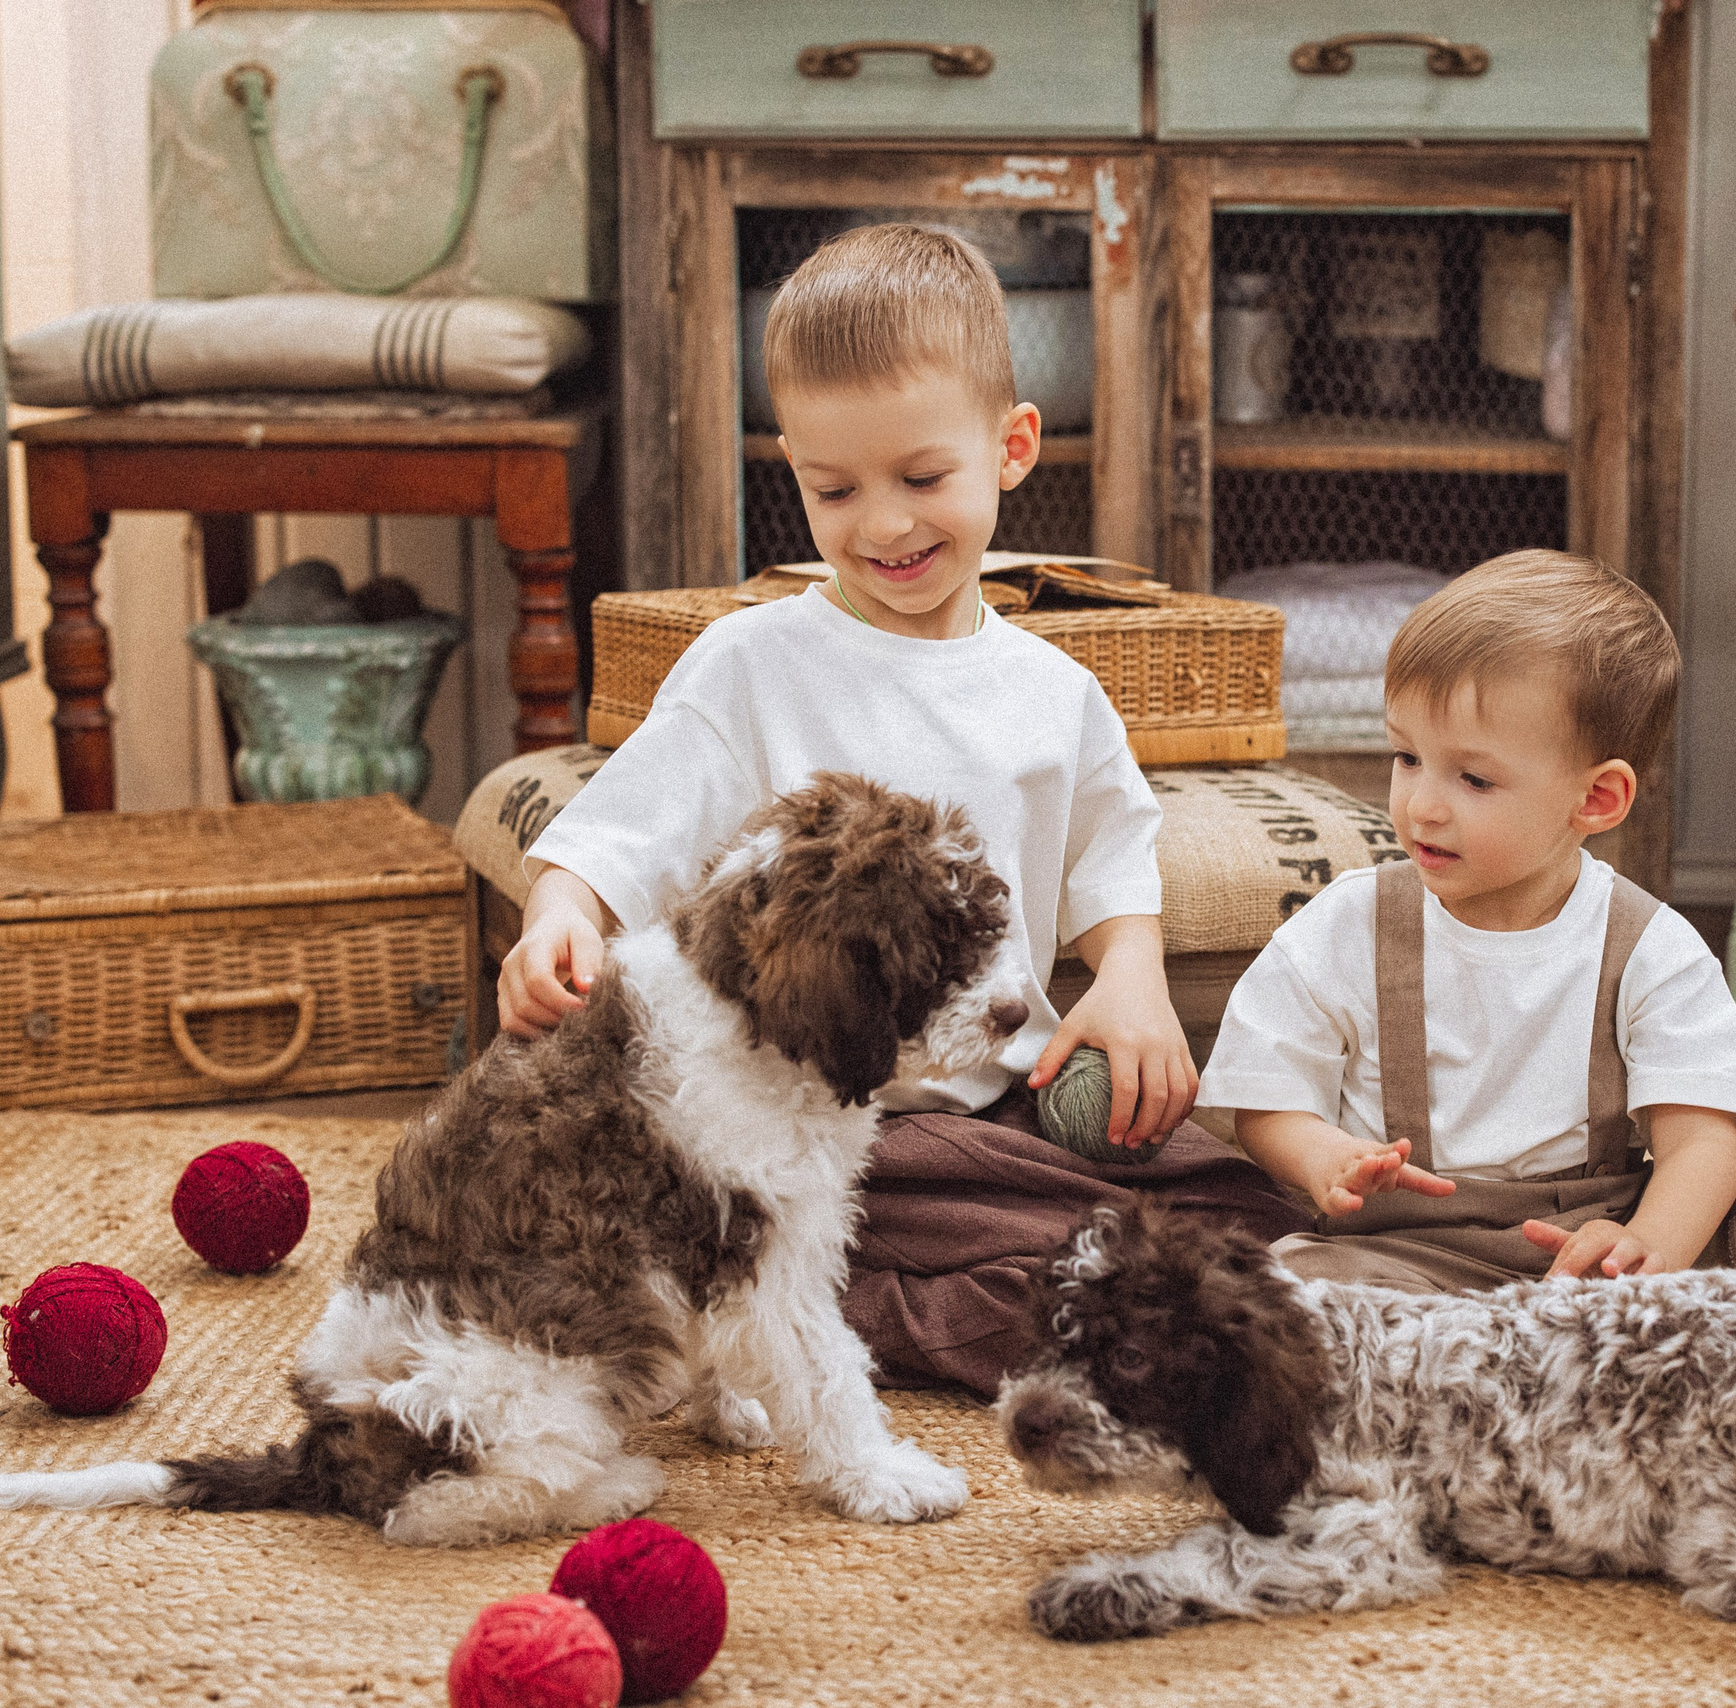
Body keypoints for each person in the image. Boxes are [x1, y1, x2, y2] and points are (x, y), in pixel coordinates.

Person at [504, 223, 1306, 1395]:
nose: (883, 525)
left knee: (1245, 1213)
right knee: (1042, 1292)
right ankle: (790, 1305)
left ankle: (960, 1284)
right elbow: (618, 831)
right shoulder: (748, 666)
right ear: (793, 468)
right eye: (835, 488)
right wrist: (556, 913)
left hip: (1011, 1106)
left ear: (1011, 446)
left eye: (923, 480)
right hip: (817, 1123)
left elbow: (1112, 856)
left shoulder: (1055, 691)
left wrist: (1129, 983)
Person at [1200, 550, 1736, 1300]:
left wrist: (1643, 1247)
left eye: (1474, 778)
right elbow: (1264, 1104)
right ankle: (1531, 1356)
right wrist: (1322, 1156)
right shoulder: (1344, 926)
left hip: (1602, 1256)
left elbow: (1699, 1148)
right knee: (1276, 1283)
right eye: (1407, 756)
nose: (1422, 804)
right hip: (1406, 1257)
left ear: (1595, 800)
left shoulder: (1648, 948)